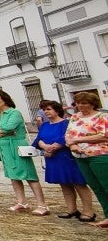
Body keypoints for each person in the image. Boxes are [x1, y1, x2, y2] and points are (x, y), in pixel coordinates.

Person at [0, 90, 48, 215]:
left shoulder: (14, 113)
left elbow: (10, 127)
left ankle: (42, 205)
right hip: (4, 149)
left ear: (5, 99)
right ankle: (22, 202)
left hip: (16, 147)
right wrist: (3, 132)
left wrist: (0, 132)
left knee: (29, 175)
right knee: (13, 176)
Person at [34, 100, 95, 220]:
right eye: (45, 110)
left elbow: (67, 136)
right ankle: (71, 209)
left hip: (66, 157)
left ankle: (89, 211)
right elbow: (38, 139)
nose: (46, 112)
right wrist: (45, 147)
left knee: (79, 184)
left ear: (57, 110)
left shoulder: (66, 123)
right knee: (64, 184)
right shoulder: (45, 125)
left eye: (49, 109)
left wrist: (54, 147)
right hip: (53, 159)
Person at [66, 91, 108, 227]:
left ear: (92, 104)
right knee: (96, 187)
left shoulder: (101, 116)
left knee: (106, 185)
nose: (80, 106)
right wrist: (72, 145)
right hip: (80, 156)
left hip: (99, 155)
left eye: (84, 103)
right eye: (78, 103)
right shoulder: (74, 117)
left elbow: (104, 135)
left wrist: (78, 139)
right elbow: (68, 135)